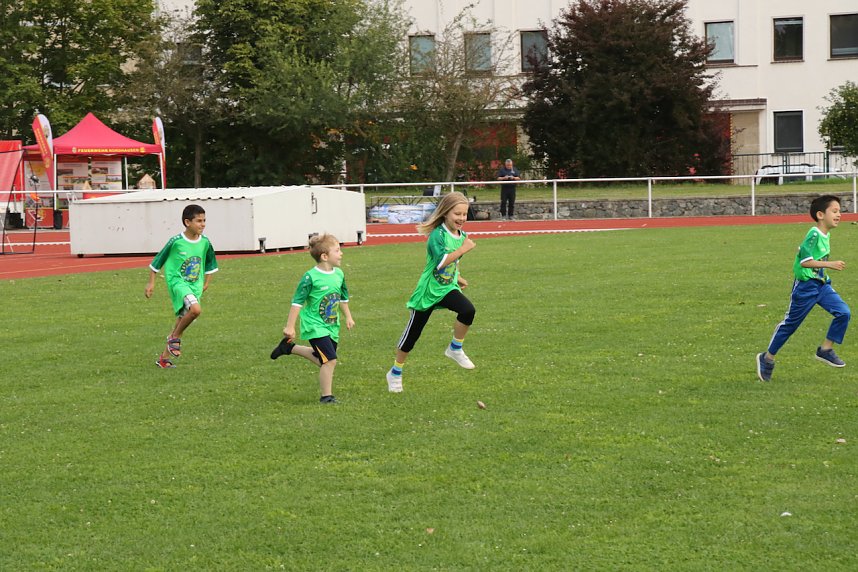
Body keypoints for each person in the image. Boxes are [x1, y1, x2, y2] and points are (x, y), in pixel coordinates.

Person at [386, 191, 477, 393]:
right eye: (457, 214)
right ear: (445, 213)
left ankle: (455, 348)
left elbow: (453, 263)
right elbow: (441, 263)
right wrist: (463, 249)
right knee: (413, 335)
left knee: (468, 310)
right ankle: (395, 372)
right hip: (428, 291)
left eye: (464, 214)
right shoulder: (437, 235)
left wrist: (457, 277)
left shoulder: (461, 235)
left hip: (447, 288)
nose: (462, 218)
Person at [756, 195, 851, 382]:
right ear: (820, 215)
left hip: (821, 285)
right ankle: (767, 359)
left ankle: (825, 349)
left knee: (843, 313)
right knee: (790, 325)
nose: (839, 215)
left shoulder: (825, 234)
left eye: (840, 211)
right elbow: (806, 262)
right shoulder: (814, 234)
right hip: (805, 288)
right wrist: (830, 264)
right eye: (835, 211)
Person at [271, 234, 354, 404]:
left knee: (322, 359)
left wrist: (348, 317)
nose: (341, 253)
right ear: (324, 256)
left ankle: (289, 348)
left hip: (332, 325)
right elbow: (297, 302)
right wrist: (290, 327)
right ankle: (326, 397)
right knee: (330, 360)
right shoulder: (310, 277)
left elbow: (342, 297)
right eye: (337, 250)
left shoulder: (339, 274)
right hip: (314, 325)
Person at [145, 204, 218, 368]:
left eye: (204, 220)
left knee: (181, 320)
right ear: (187, 222)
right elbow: (158, 260)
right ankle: (174, 338)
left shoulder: (205, 242)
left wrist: (206, 283)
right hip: (178, 282)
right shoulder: (176, 241)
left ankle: (163, 360)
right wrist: (151, 282)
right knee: (196, 310)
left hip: (195, 286)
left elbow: (210, 263)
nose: (203, 224)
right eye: (199, 221)